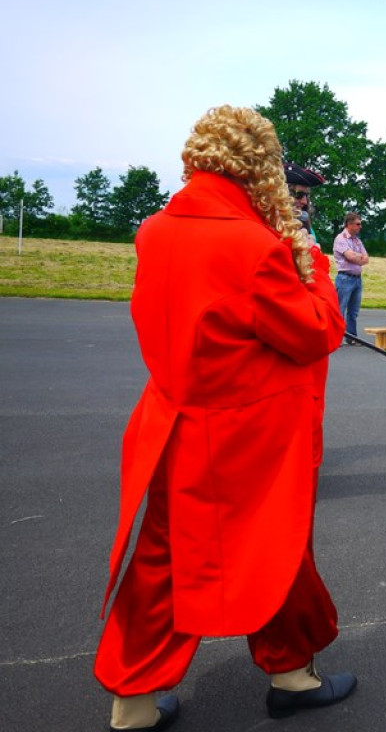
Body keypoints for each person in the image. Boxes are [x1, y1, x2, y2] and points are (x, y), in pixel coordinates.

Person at [92, 105, 354, 731]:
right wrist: (314, 268)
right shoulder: (255, 246)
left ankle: (134, 703)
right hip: (245, 435)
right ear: (258, 165)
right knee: (278, 547)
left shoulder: (154, 230)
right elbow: (316, 331)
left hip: (174, 422)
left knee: (162, 564)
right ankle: (291, 674)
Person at [333, 211, 369, 345]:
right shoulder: (341, 238)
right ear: (349, 224)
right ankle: (336, 338)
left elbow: (366, 258)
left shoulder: (357, 240)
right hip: (345, 278)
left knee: (353, 311)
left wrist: (357, 257)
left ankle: (352, 337)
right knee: (340, 310)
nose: (360, 227)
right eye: (358, 224)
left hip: (357, 278)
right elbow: (350, 256)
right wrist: (358, 257)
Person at [284, 161, 325, 244]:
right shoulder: (267, 226)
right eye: (299, 195)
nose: (305, 202)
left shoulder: (308, 229)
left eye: (306, 196)